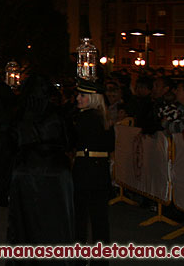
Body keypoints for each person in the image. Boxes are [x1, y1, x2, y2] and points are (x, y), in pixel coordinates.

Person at [7, 75, 75, 262]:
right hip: (55, 170)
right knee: (56, 218)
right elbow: (69, 141)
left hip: (27, 169)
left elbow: (11, 143)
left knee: (25, 218)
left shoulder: (19, 114)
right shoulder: (58, 113)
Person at [71, 78, 114, 265]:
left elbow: (72, 141)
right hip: (101, 169)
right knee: (100, 218)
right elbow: (110, 145)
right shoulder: (105, 119)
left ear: (92, 98)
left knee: (80, 216)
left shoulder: (82, 118)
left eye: (82, 95)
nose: (78, 98)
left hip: (84, 167)